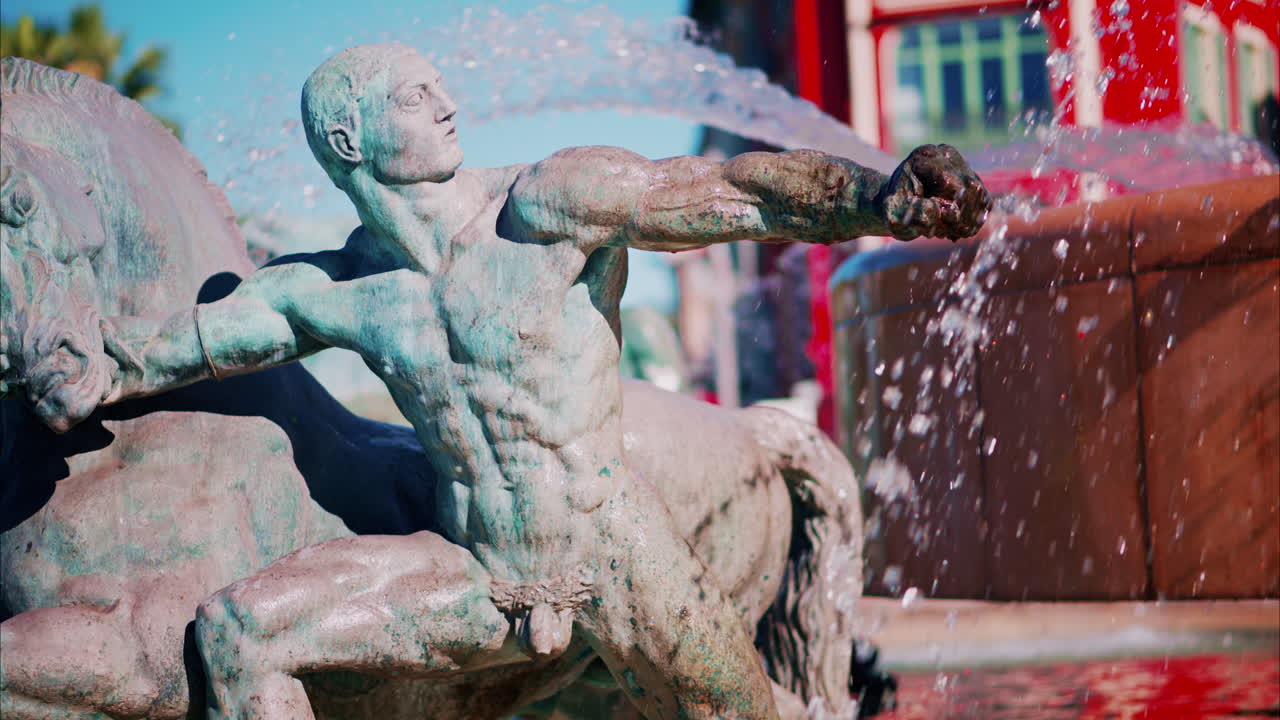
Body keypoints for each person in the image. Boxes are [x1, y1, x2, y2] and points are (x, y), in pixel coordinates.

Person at [73, 43, 988, 719]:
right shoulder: (339, 289)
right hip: (475, 573)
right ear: (349, 138)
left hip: (611, 554)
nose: (447, 103)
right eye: (414, 94)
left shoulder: (548, 205)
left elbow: (734, 191)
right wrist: (82, 367)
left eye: (440, 84)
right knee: (238, 634)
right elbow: (187, 344)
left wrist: (877, 199)